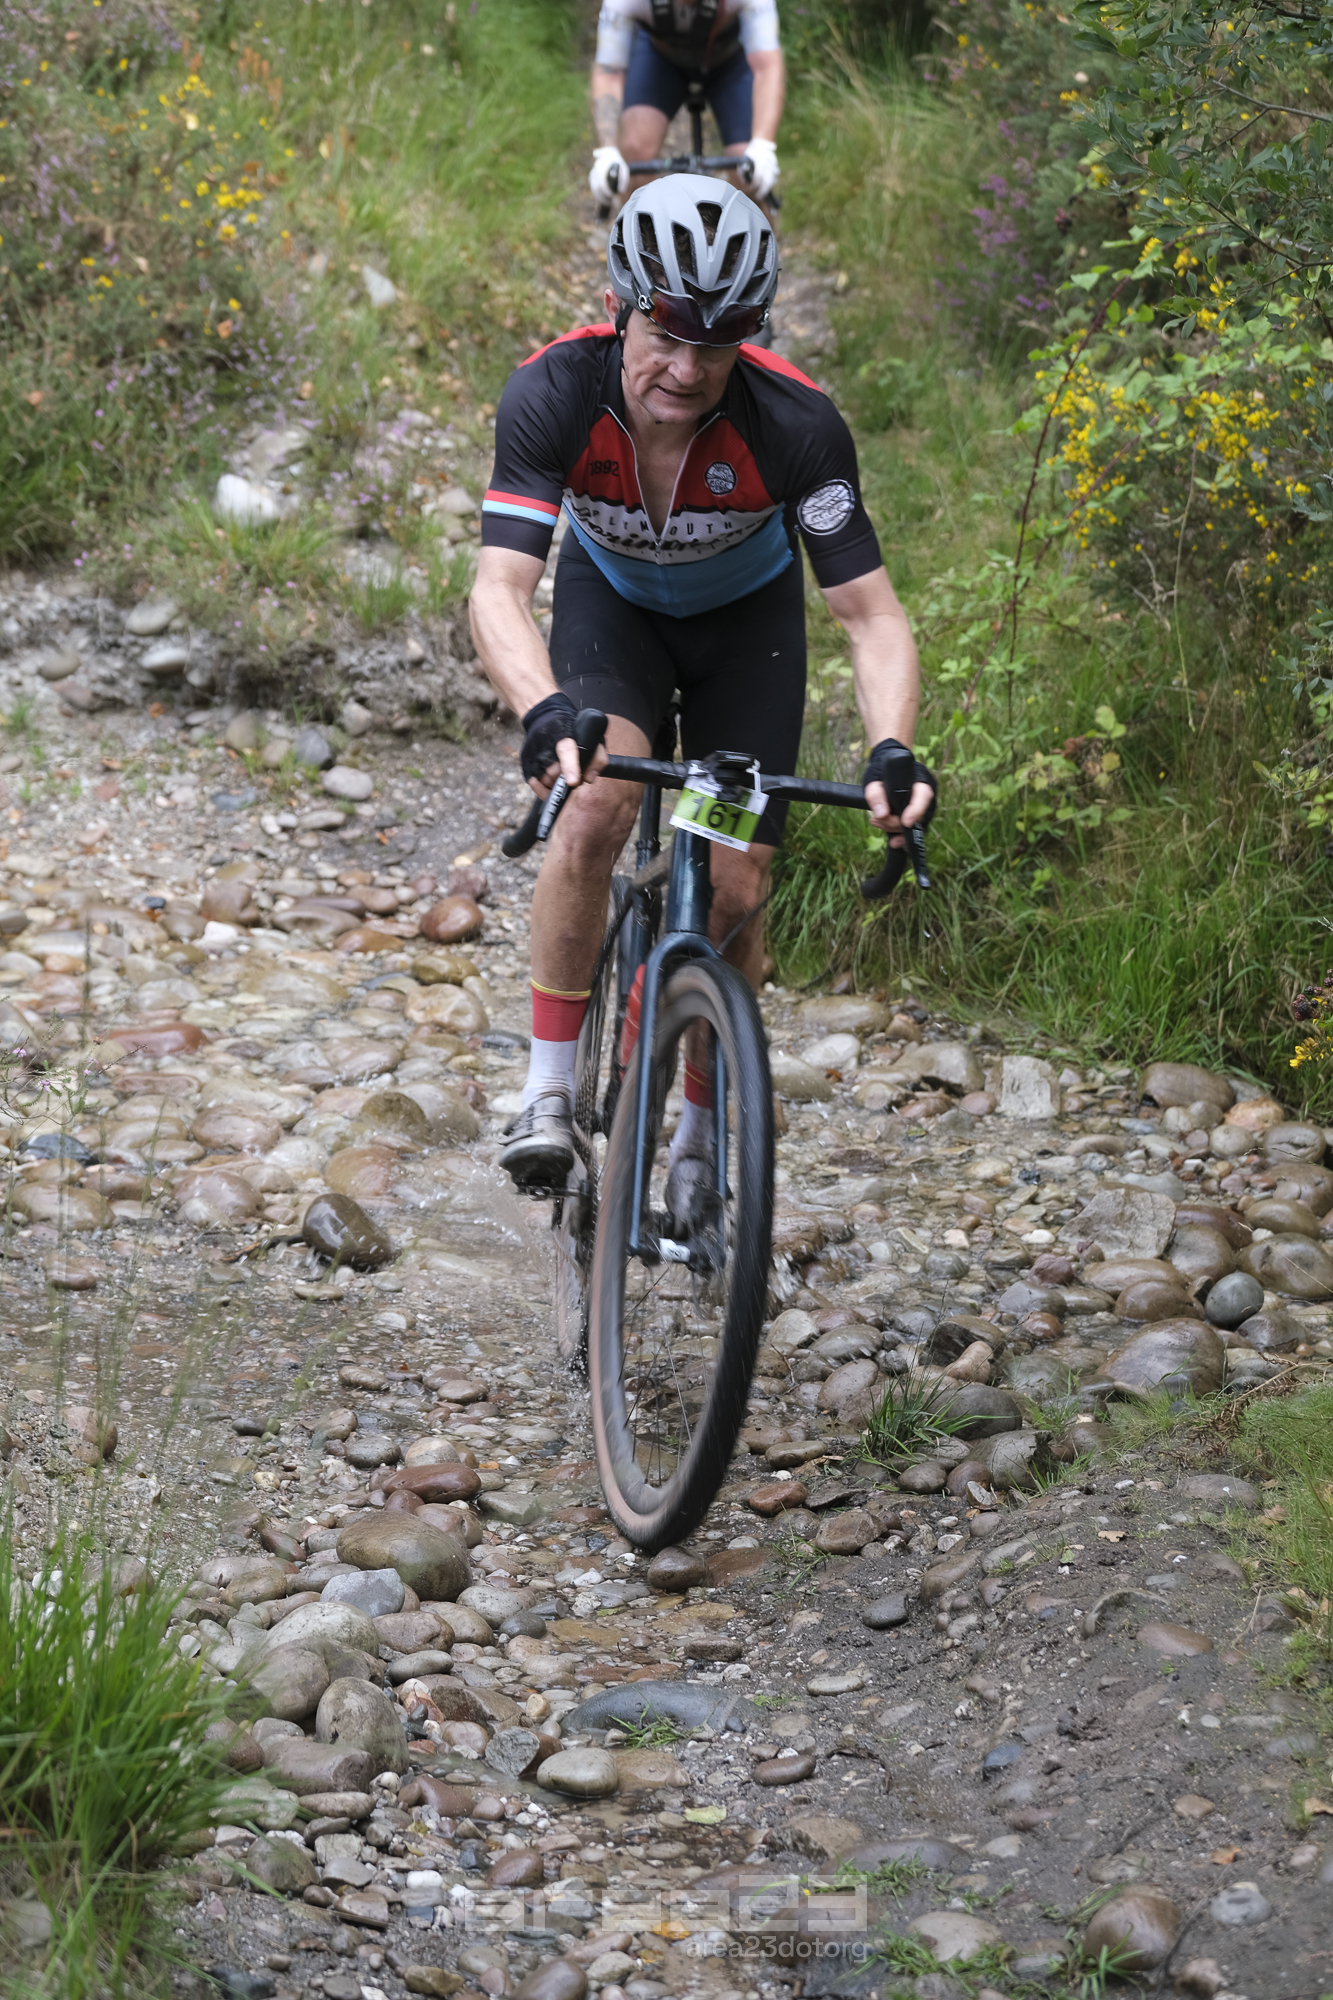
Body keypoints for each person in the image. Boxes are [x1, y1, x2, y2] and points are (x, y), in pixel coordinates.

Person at [468, 176, 934, 1205]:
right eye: (665, 336)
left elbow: (870, 616)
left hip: (743, 636)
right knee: (593, 806)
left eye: (715, 346)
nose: (685, 370)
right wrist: (544, 710)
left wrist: (891, 750)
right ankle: (547, 1091)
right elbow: (498, 589)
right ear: (617, 307)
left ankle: (699, 1126)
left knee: (732, 886)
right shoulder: (553, 392)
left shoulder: (796, 424)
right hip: (613, 615)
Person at [588, 0, 784, 205]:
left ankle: (758, 221)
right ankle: (639, 220)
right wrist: (607, 150)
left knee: (748, 172)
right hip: (660, 58)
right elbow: (609, 72)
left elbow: (767, 65)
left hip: (729, 60)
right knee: (636, 152)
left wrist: (762, 144)